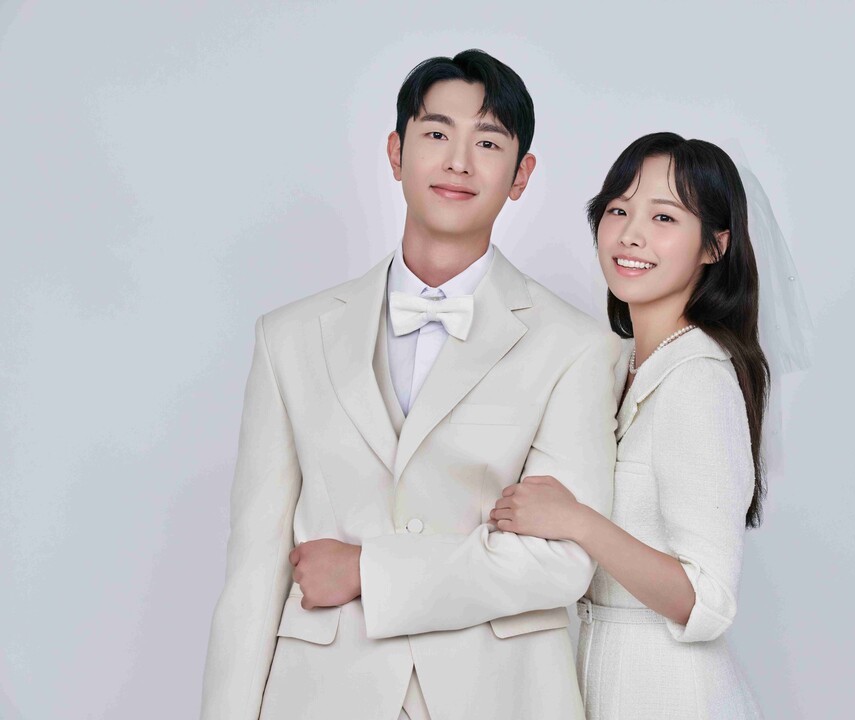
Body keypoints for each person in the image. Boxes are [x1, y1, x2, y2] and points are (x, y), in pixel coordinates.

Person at [200, 49, 622, 720]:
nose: (459, 161)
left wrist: (367, 571)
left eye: (488, 142)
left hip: (498, 696)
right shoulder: (289, 338)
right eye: (436, 133)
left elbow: (561, 561)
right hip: (321, 695)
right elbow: (254, 568)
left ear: (521, 175)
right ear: (396, 153)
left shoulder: (576, 347)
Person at [490, 132, 772, 719]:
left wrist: (575, 521)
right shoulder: (616, 364)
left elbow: (708, 600)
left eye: (664, 217)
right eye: (619, 210)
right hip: (601, 679)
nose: (631, 234)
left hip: (675, 696)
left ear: (714, 246)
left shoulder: (698, 377)